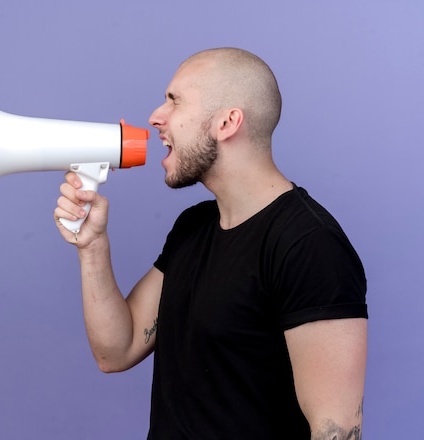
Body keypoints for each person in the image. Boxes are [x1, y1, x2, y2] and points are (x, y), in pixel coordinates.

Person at [54, 47, 368, 439]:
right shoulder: (194, 225)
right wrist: (92, 247)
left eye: (175, 101)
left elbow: (333, 429)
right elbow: (118, 350)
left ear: (227, 122)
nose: (156, 117)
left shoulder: (310, 245)